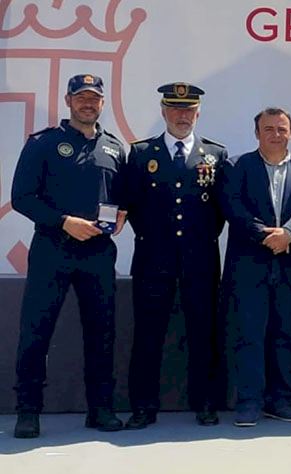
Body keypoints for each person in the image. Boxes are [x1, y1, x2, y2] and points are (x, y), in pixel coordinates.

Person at [11, 74, 128, 438]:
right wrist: (63, 222)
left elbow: (122, 196)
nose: (88, 103)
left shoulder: (114, 148)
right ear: (68, 100)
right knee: (36, 330)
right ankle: (28, 411)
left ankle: (100, 409)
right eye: (81, 97)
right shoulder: (44, 143)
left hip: (98, 253)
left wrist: (123, 213)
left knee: (102, 332)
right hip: (53, 250)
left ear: (103, 103)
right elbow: (22, 197)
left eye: (94, 98)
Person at [123, 82, 229, 429]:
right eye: (175, 108)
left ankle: (206, 402)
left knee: (203, 333)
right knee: (148, 335)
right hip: (153, 260)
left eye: (189, 110)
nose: (182, 116)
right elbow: (131, 205)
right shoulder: (142, 154)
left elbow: (221, 211)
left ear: (198, 113)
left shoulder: (215, 155)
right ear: (163, 111)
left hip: (200, 260)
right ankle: (143, 406)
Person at [219, 107, 291, 427]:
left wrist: (289, 233)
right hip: (250, 265)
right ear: (257, 133)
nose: (276, 134)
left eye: (281, 129)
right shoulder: (236, 167)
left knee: (284, 335)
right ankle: (249, 402)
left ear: (290, 132)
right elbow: (232, 206)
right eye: (268, 129)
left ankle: (280, 401)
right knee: (249, 335)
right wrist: (265, 235)